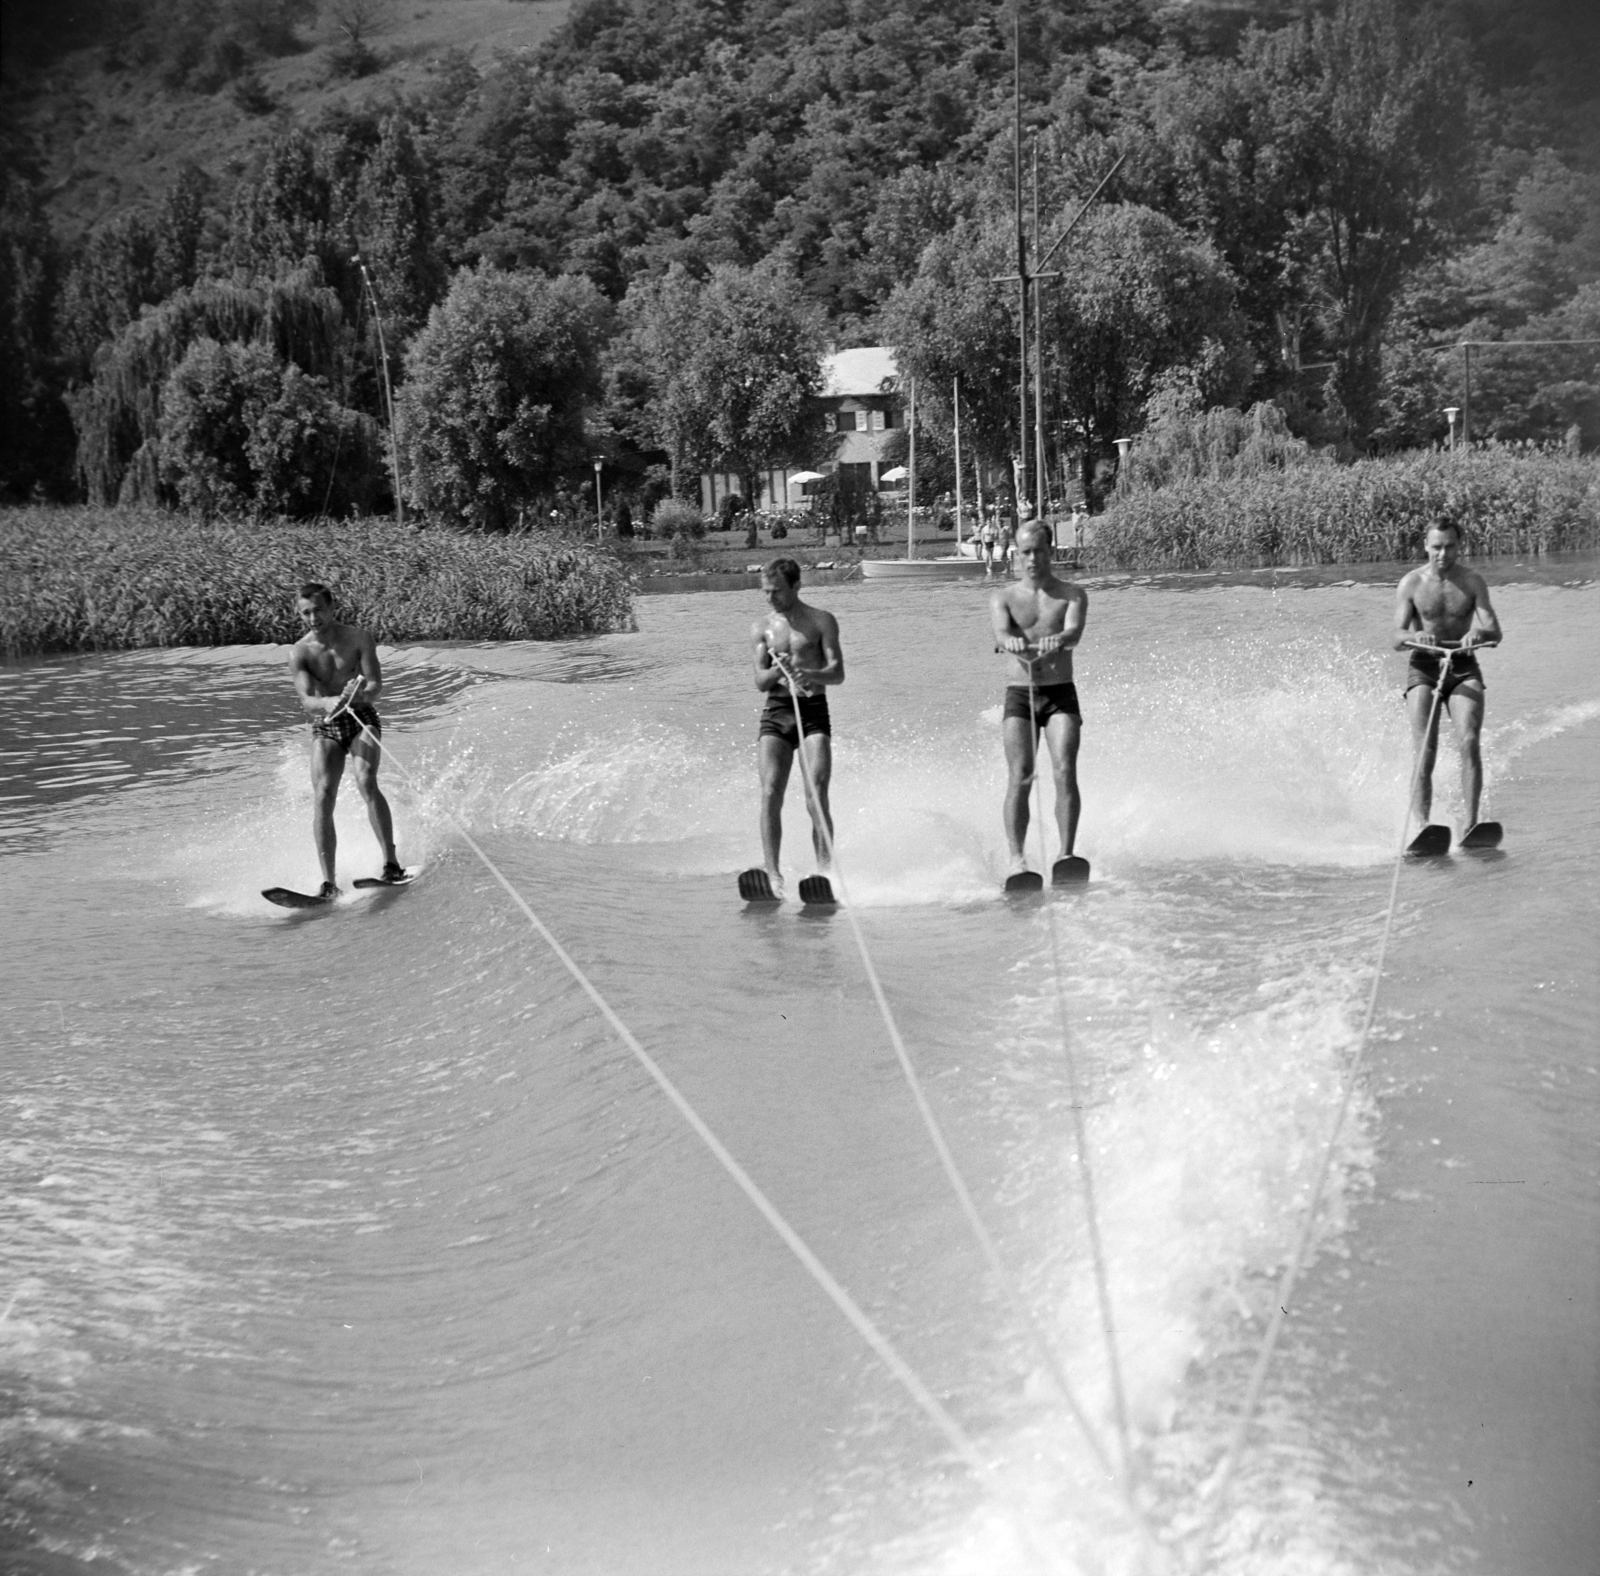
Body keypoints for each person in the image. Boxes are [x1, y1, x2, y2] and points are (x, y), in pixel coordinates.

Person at [289, 582, 403, 898]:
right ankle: (328, 884)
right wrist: (328, 704)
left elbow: (377, 686)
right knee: (324, 794)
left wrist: (354, 696)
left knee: (366, 780)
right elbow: (307, 701)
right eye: (306, 613)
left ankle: (392, 864)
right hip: (327, 724)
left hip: (362, 717)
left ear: (332, 608)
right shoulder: (300, 652)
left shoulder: (358, 639)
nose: (313, 618)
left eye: (319, 610)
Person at [991, 521, 1088, 879]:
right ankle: (1017, 860)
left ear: (1051, 551)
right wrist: (1010, 640)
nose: (1032, 559)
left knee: (1064, 768)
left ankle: (1065, 855)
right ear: (1018, 553)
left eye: (1039, 551)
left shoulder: (1072, 594)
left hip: (1060, 691)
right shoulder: (1002, 597)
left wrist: (1059, 638)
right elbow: (1000, 630)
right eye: (1025, 552)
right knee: (1021, 774)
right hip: (1020, 695)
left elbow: (1074, 632)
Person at [1393, 523, 1502, 832]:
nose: (1443, 553)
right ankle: (1423, 826)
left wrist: (1479, 632)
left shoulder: (1472, 582)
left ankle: (1470, 826)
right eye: (1437, 546)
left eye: (1450, 546)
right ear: (1426, 546)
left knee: (1469, 741)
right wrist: (1417, 636)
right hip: (1424, 667)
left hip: (1463, 666)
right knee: (1426, 747)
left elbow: (1496, 633)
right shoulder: (1411, 583)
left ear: (1459, 546)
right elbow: (1396, 638)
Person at [751, 558, 845, 896]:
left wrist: (810, 674)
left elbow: (837, 672)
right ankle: (773, 875)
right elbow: (760, 681)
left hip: (813, 711)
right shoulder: (762, 628)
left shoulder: (821, 621)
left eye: (776, 592)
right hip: (777, 712)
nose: (770, 598)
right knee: (769, 792)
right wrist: (777, 672)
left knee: (816, 795)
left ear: (796, 587)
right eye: (766, 592)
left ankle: (825, 874)